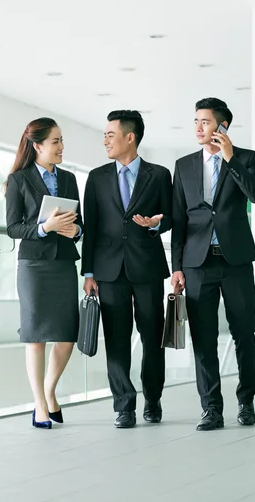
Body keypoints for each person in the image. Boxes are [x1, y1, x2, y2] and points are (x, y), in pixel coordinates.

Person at [171, 98, 255, 431]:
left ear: (223, 126)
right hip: (197, 264)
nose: (198, 127)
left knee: (244, 334)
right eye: (195, 121)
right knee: (204, 338)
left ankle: (246, 403)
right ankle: (211, 408)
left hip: (236, 261)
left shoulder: (246, 158)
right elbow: (178, 219)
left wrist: (229, 159)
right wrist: (177, 267)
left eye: (205, 121)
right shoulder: (183, 165)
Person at [81, 110, 172, 428]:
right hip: (108, 270)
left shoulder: (159, 175)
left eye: (110, 134)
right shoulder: (97, 177)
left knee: (153, 338)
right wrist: (88, 272)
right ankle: (124, 405)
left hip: (146, 267)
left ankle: (153, 399)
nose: (105, 140)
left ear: (129, 137)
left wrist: (155, 224)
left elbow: (170, 217)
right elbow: (91, 226)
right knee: (116, 340)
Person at [5, 117, 83, 429]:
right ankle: (40, 404)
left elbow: (81, 224)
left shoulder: (68, 178)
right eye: (56, 142)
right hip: (34, 266)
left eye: (62, 140)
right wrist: (44, 228)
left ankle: (49, 391)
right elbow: (12, 227)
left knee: (66, 336)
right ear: (37, 146)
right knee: (36, 336)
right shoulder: (19, 180)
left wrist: (74, 230)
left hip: (64, 263)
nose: (62, 147)